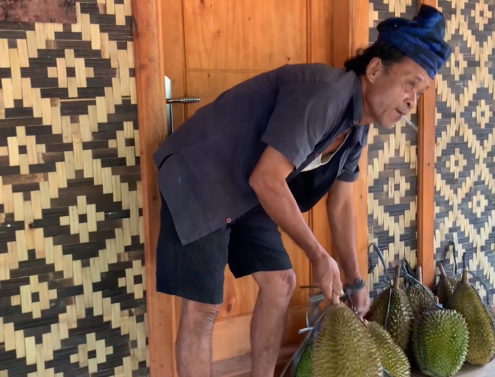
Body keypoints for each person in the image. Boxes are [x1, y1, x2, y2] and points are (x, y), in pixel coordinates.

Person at [152, 5, 451, 377]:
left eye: (420, 93)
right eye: (410, 84)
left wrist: (354, 279)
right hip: (202, 175)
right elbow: (267, 179)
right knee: (204, 309)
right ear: (374, 70)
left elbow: (341, 206)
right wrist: (317, 253)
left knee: (280, 284)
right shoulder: (325, 95)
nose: (411, 101)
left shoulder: (357, 128)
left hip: (247, 190)